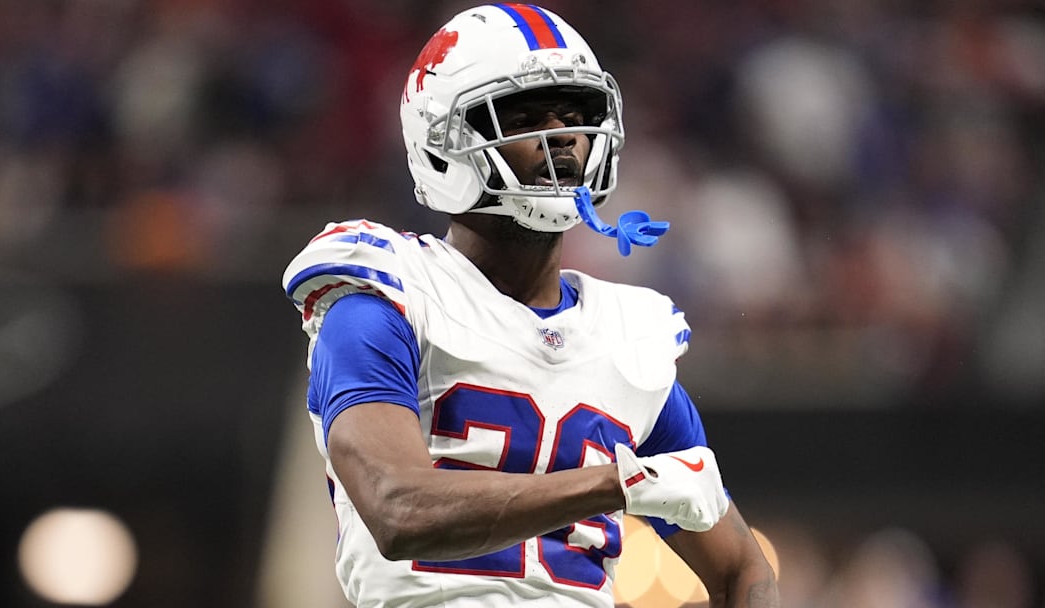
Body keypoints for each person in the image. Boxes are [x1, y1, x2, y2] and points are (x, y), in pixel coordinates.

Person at [282, 4, 779, 607]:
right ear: (442, 143)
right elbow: (397, 508)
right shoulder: (385, 299)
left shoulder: (624, 338)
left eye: (574, 115)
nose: (562, 137)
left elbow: (743, 570)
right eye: (522, 117)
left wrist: (630, 485)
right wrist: (618, 483)